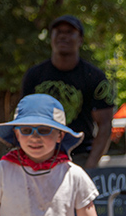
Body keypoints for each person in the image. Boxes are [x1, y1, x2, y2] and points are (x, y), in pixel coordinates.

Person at [22, 15, 114, 170]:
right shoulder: (34, 76)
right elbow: (23, 121)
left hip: (80, 156)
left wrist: (90, 166)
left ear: (80, 39)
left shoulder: (95, 77)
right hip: (40, 156)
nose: (63, 36)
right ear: (51, 37)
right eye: (58, 32)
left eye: (70, 32)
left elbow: (105, 125)